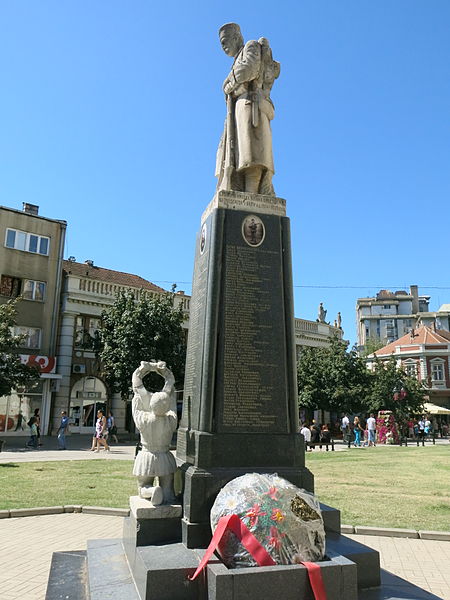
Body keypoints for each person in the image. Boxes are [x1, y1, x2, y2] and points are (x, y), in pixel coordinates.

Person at [216, 23, 280, 196]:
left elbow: (248, 70)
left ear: (236, 37)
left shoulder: (250, 46)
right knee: (239, 155)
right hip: (240, 110)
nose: (223, 47)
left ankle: (251, 195)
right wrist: (233, 85)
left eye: (224, 41)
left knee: (252, 155)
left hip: (251, 107)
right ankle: (243, 191)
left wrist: (228, 83)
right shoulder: (236, 60)